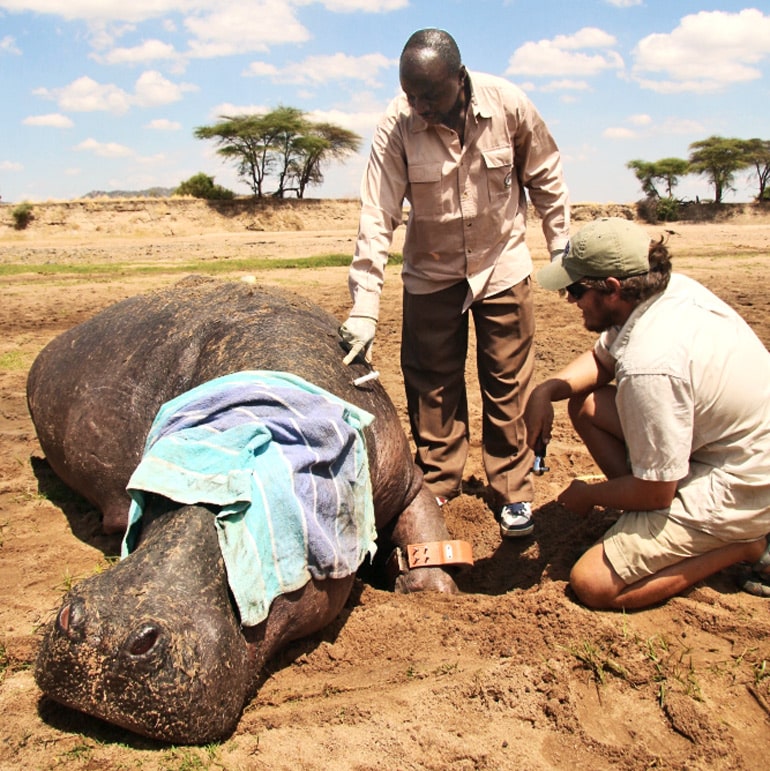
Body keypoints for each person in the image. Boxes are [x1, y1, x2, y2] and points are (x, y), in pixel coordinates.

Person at [338, 28, 570, 539]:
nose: (420, 106)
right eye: (411, 95)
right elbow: (377, 214)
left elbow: (546, 176)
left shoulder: (508, 105)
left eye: (431, 96)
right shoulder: (396, 125)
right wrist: (365, 305)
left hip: (502, 262)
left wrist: (562, 250)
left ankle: (511, 489)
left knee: (507, 381)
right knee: (432, 382)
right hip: (432, 270)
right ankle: (439, 482)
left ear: (459, 80)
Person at [525, 216, 770, 610]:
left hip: (744, 480)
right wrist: (546, 390)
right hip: (731, 443)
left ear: (612, 288)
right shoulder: (666, 293)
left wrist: (589, 496)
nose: (569, 299)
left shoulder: (649, 362)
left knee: (592, 584)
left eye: (575, 289)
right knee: (586, 402)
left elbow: (657, 491)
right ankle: (650, 523)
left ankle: (747, 543)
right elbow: (601, 359)